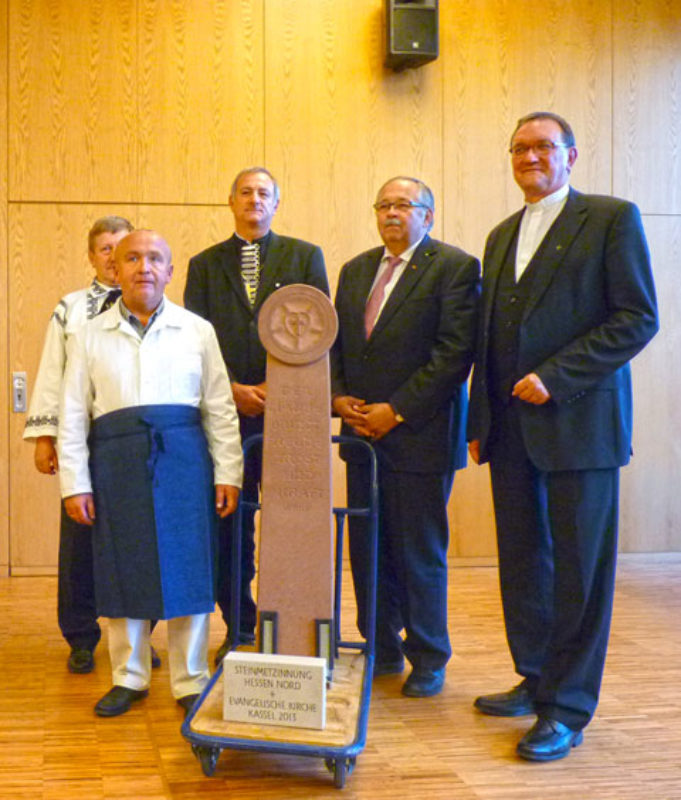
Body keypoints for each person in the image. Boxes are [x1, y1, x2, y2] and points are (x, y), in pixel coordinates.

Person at [467, 111, 659, 761]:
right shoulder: (498, 236)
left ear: (570, 156)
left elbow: (636, 317)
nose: (529, 156)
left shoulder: (610, 217)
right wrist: (479, 421)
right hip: (510, 433)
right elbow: (488, 338)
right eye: (518, 146)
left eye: (543, 146)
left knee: (579, 572)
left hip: (579, 426)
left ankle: (567, 708)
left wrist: (555, 376)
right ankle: (535, 677)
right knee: (524, 565)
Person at [58, 230, 243, 718]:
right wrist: (74, 483)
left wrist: (229, 472)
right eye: (132, 258)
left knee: (188, 566)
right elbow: (73, 412)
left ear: (170, 270)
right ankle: (130, 676)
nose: (144, 267)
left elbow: (220, 408)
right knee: (124, 565)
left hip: (184, 457)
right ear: (114, 270)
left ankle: (190, 678)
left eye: (155, 258)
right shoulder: (87, 334)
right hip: (115, 460)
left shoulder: (196, 330)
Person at [331, 176, 480, 698]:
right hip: (360, 438)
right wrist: (338, 395)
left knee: (417, 550)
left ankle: (428, 655)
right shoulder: (354, 271)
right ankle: (381, 647)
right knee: (367, 544)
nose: (393, 213)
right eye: (385, 205)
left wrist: (396, 411)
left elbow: (453, 354)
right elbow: (338, 346)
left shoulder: (454, 267)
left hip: (420, 435)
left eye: (405, 205)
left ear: (428, 216)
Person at [184, 166, 329, 664]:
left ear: (276, 203)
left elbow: (319, 334)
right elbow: (194, 344)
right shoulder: (204, 265)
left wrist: (282, 390)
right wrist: (233, 391)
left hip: (291, 418)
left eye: (263, 193)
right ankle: (239, 625)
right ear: (231, 202)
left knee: (293, 522)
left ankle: (292, 625)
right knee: (232, 524)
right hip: (226, 416)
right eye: (245, 192)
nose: (254, 199)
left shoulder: (305, 257)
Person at [22, 215, 157, 675]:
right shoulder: (71, 309)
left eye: (124, 247)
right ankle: (81, 635)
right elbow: (51, 374)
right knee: (80, 538)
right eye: (105, 248)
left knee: (136, 539)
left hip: (134, 444)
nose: (116, 256)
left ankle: (140, 637)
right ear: (93, 256)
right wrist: (46, 437)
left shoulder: (152, 304)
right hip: (82, 439)